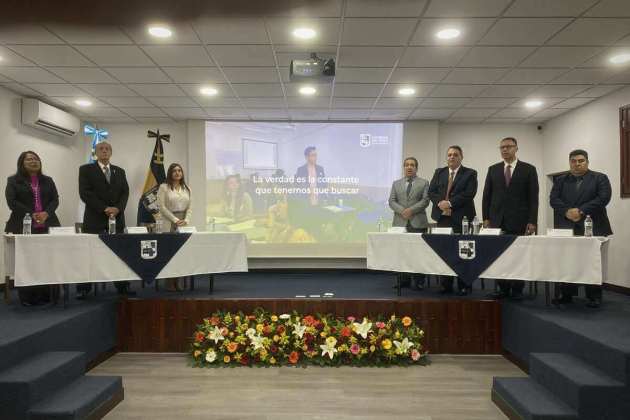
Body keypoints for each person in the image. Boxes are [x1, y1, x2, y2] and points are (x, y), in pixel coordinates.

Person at [550, 149, 612, 308]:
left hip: (593, 226)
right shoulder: (560, 180)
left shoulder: (600, 178)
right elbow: (553, 200)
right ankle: (567, 294)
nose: (577, 164)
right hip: (567, 226)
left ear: (587, 162)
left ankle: (594, 297)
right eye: (573, 161)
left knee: (592, 262)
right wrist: (567, 211)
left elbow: (603, 198)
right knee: (568, 261)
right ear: (569, 162)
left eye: (581, 161)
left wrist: (581, 210)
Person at [482, 137, 539, 300]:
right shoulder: (493, 169)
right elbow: (487, 196)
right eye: (501, 147)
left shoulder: (528, 169)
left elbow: (533, 198)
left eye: (508, 147)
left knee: (518, 255)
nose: (504, 150)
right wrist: (486, 218)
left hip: (520, 220)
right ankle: (502, 288)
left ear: (516, 148)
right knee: (499, 255)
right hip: (496, 221)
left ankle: (517, 289)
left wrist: (532, 220)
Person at [5, 151, 61, 306]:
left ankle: (46, 295)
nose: (33, 161)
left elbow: (55, 199)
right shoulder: (13, 181)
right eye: (29, 159)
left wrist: (46, 213)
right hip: (23, 225)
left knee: (46, 261)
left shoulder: (48, 180)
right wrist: (32, 214)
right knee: (28, 262)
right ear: (21, 163)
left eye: (36, 159)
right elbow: (12, 202)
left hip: (48, 224)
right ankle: (28, 297)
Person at [78, 141, 130, 298]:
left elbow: (125, 193)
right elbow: (85, 193)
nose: (104, 151)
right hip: (95, 219)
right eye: (101, 149)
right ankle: (84, 289)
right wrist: (104, 208)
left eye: (107, 149)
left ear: (111, 152)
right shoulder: (86, 169)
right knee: (91, 255)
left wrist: (118, 208)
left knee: (120, 255)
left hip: (117, 219)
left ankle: (122, 287)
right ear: (96, 152)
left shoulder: (119, 171)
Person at [428, 146, 478, 295]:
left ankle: (464, 284)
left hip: (461, 219)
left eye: (455, 155)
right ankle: (446, 284)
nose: (451, 157)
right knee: (445, 252)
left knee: (463, 252)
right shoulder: (439, 172)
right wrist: (440, 203)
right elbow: (431, 191)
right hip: (443, 218)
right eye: (449, 155)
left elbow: (469, 194)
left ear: (461, 157)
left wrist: (449, 203)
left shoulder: (470, 173)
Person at [389, 157, 430, 288]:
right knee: (401, 253)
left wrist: (410, 210)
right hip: (400, 223)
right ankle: (403, 281)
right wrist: (403, 211)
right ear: (404, 167)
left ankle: (419, 282)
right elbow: (391, 201)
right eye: (406, 165)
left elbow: (425, 201)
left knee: (418, 254)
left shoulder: (424, 183)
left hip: (418, 223)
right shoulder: (396, 183)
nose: (409, 167)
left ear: (416, 168)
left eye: (412, 165)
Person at [157, 163, 192, 292]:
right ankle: (170, 282)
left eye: (179, 170)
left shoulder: (187, 188)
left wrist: (186, 220)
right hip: (169, 222)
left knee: (182, 253)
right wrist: (175, 220)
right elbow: (161, 207)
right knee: (170, 253)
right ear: (170, 173)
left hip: (183, 223)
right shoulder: (164, 187)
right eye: (174, 171)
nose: (177, 173)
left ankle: (179, 281)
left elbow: (190, 208)